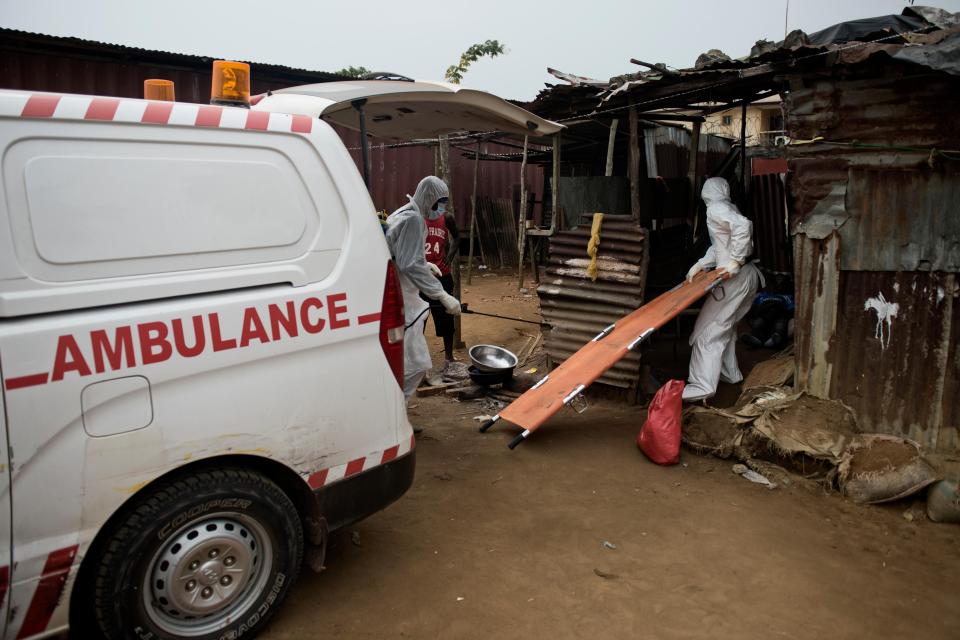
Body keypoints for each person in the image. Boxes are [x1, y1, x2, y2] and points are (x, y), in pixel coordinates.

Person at [683, 177, 761, 402]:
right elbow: (721, 245)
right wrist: (703, 263)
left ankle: (702, 386)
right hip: (745, 277)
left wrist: (735, 261)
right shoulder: (726, 207)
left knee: (707, 332)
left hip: (734, 279)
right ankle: (729, 374)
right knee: (725, 327)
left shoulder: (716, 208)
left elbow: (743, 226)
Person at [384, 176, 461, 401]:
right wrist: (442, 295)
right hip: (402, 299)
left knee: (408, 362)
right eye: (440, 202)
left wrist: (423, 263)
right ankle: (399, 416)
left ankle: (400, 416)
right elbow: (409, 264)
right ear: (429, 198)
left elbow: (401, 255)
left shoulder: (402, 212)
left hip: (399, 294)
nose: (441, 209)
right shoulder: (413, 220)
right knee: (414, 364)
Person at [422, 198, 459, 372]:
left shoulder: (447, 217)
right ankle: (418, 359)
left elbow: (457, 238)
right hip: (420, 276)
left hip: (442, 275)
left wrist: (449, 257)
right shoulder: (417, 217)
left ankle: (449, 357)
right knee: (418, 318)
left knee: (446, 315)